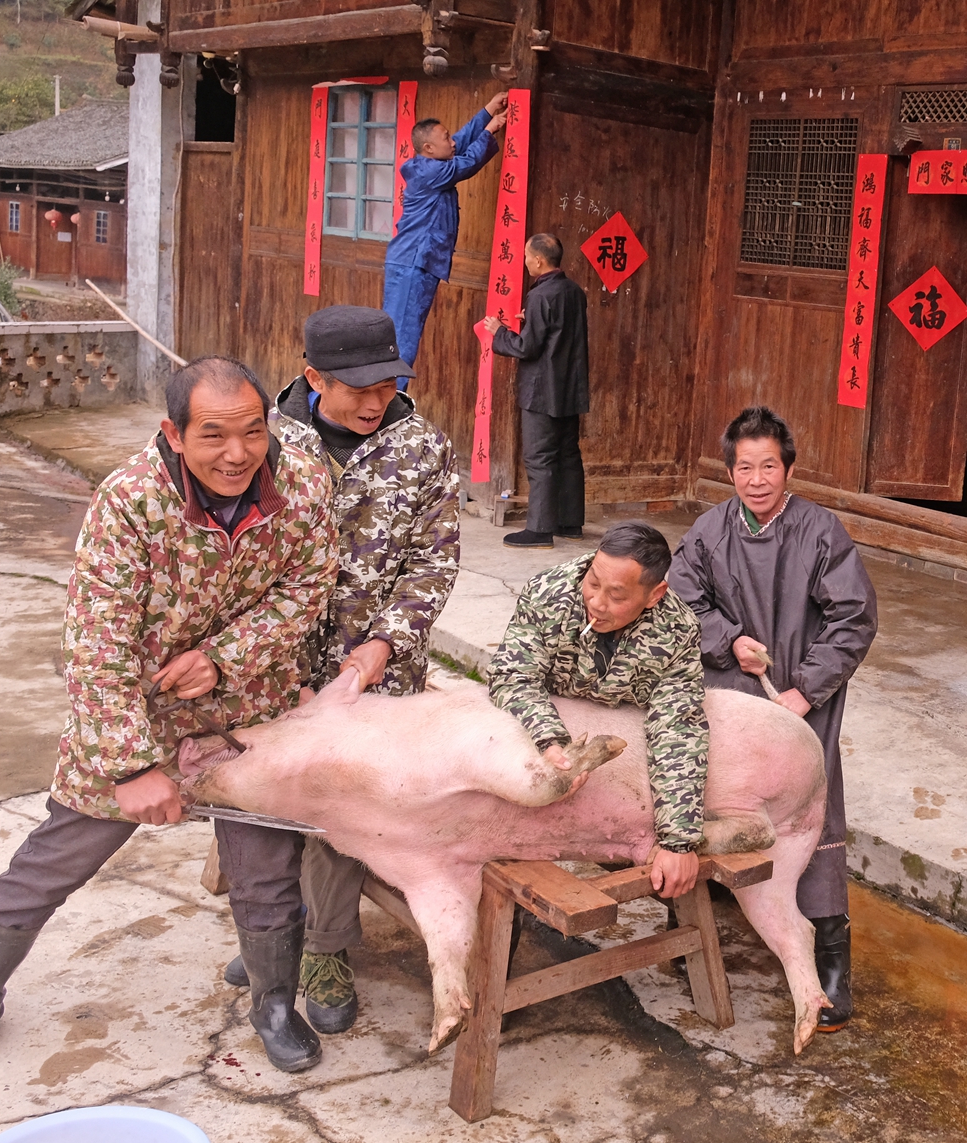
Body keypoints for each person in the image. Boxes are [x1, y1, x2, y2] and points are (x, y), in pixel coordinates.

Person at [0, 357, 338, 1075]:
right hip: (133, 704)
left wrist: (225, 656)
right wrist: (134, 765)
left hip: (245, 698)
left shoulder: (302, 478)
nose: (237, 454)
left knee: (264, 861)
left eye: (253, 432)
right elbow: (95, 637)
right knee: (61, 852)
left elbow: (307, 584)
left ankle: (273, 1001)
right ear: (174, 432)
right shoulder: (130, 500)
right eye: (213, 435)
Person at [223, 306, 460, 1034]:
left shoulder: (423, 448)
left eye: (386, 385)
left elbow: (434, 562)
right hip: (270, 661)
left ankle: (326, 948)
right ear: (312, 375)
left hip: (375, 674)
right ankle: (272, 928)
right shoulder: (266, 444)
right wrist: (265, 656)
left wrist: (382, 646)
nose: (372, 402)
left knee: (340, 808)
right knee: (262, 796)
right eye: (355, 387)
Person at [667, 406, 877, 1032]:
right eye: (744, 467)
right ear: (729, 470)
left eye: (769, 466)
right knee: (715, 800)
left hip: (802, 693)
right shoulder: (709, 530)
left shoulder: (820, 531)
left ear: (788, 468)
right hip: (731, 692)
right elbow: (679, 601)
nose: (756, 479)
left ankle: (829, 953)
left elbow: (853, 618)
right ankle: (697, 931)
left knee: (811, 812)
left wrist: (805, 692)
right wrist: (727, 640)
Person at [487, 522, 709, 898]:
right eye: (593, 582)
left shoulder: (678, 630)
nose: (597, 602)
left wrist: (679, 840)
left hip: (623, 752)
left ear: (655, 595)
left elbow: (679, 728)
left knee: (665, 862)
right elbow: (514, 677)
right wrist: (551, 739)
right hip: (545, 727)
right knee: (510, 846)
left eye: (617, 595)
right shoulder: (548, 593)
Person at [383, 92, 508, 389]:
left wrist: (488, 110)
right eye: (445, 137)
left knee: (401, 338)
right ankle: (390, 405)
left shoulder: (429, 162)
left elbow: (461, 144)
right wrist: (490, 129)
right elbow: (464, 163)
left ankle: (388, 401)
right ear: (428, 148)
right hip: (413, 263)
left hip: (415, 262)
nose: (452, 141)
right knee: (402, 340)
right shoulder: (431, 172)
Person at [484, 232, 589, 549]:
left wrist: (499, 333)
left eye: (527, 255)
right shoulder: (573, 291)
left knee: (539, 458)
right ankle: (570, 523)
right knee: (568, 456)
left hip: (542, 390)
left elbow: (528, 347)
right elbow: (556, 334)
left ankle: (540, 530)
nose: (525, 260)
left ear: (539, 260)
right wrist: (528, 322)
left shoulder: (542, 296)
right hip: (569, 387)